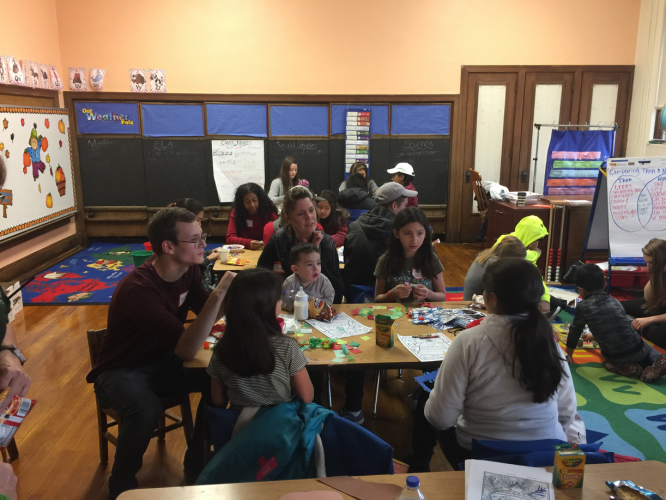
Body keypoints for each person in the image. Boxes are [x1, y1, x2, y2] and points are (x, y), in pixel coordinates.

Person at [86, 207, 236, 499]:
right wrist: (220, 293)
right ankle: (121, 486)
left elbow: (209, 313)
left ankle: (197, 461)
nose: (203, 245)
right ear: (168, 247)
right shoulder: (138, 288)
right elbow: (187, 346)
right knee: (146, 410)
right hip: (120, 371)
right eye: (194, 240)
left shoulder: (189, 270)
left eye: (201, 237)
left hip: (162, 361)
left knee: (219, 378)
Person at [417, 259, 576, 471]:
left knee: (426, 399)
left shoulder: (469, 341)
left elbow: (441, 418)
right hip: (546, 452)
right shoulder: (549, 342)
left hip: (480, 453)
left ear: (491, 299)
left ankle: (419, 465)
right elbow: (566, 411)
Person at [207, 268, 313, 408]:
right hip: (279, 424)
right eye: (278, 299)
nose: (280, 303)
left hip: (239, 425)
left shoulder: (222, 349)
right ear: (267, 307)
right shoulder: (287, 346)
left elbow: (218, 400)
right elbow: (307, 397)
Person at [565, 264, 666, 382]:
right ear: (604, 284)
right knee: (648, 348)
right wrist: (593, 336)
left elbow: (575, 331)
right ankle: (657, 359)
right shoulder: (615, 302)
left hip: (616, 357)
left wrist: (568, 354)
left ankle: (623, 367)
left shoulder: (583, 306)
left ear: (581, 289)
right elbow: (616, 327)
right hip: (638, 350)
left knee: (607, 362)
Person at [258, 186, 344, 304]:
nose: (309, 217)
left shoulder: (326, 243)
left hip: (319, 313)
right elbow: (260, 284)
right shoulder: (278, 242)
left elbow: (338, 292)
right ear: (288, 218)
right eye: (300, 213)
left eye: (311, 210)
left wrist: (315, 253)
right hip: (286, 310)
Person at [343, 182, 417, 302]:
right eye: (405, 206)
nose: (406, 211)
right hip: (389, 296)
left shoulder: (355, 226)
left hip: (353, 294)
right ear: (394, 205)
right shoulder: (399, 233)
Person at [374, 207, 446, 303]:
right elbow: (377, 299)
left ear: (425, 234)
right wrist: (392, 293)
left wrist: (428, 293)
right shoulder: (385, 260)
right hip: (395, 315)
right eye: (408, 233)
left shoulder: (431, 258)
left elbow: (442, 296)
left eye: (420, 233)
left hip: (424, 314)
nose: (414, 240)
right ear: (396, 233)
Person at [494, 215, 558, 315]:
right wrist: (536, 254)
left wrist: (545, 298)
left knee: (554, 302)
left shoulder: (519, 243)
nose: (536, 245)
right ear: (528, 237)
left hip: (514, 288)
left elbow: (536, 276)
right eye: (535, 240)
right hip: (506, 292)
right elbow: (527, 257)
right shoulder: (506, 243)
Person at [622, 239, 666, 349]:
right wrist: (656, 274)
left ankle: (636, 325)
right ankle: (634, 323)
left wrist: (649, 320)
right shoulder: (659, 272)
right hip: (658, 307)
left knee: (662, 335)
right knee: (617, 307)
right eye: (646, 262)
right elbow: (647, 297)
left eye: (651, 262)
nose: (648, 266)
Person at [463, 236, 526, 300]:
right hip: (477, 305)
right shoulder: (496, 266)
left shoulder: (486, 255)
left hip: (469, 301)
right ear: (511, 257)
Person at [282, 243, 335, 312]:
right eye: (309, 264)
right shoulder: (290, 283)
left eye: (318, 263)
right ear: (295, 269)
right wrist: (296, 307)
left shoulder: (323, 281)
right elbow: (283, 301)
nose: (316, 268)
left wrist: (318, 307)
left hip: (318, 316)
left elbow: (329, 297)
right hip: (297, 316)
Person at [226, 183, 278, 250]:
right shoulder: (237, 212)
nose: (252, 205)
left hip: (265, 250)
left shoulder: (269, 211)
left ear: (259, 199)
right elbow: (230, 237)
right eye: (247, 202)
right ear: (241, 203)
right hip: (244, 250)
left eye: (255, 200)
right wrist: (247, 243)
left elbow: (278, 235)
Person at [171, 198, 219, 267]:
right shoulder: (180, 240)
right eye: (197, 220)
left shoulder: (186, 236)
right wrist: (208, 259)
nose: (200, 224)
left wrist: (210, 252)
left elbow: (194, 253)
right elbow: (193, 268)